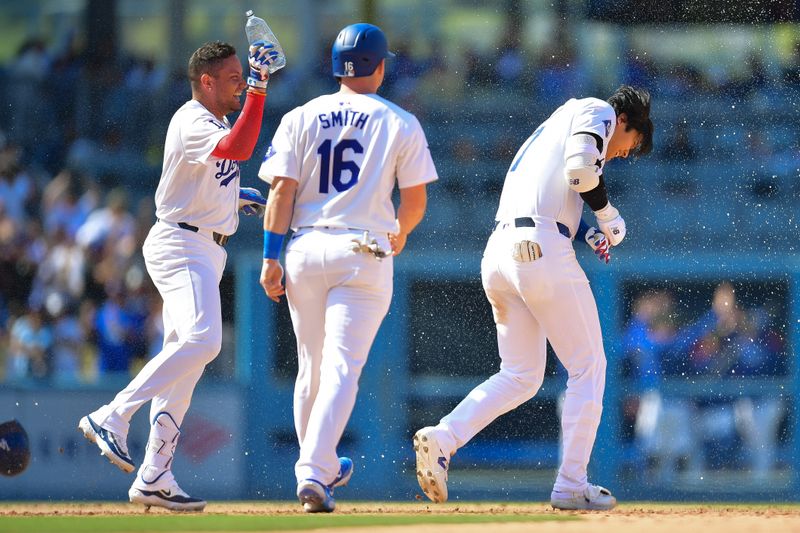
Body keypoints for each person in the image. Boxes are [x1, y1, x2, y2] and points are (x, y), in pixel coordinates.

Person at [414, 85, 653, 510]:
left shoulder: (555, 124)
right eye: (630, 146)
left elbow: (556, 187)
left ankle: (443, 437)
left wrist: (586, 229)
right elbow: (581, 172)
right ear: (626, 122)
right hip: (539, 248)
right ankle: (571, 484)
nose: (622, 154)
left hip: (501, 251)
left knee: (521, 375)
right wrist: (607, 213)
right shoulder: (597, 109)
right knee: (589, 367)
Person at [77, 39, 279, 512]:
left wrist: (237, 196)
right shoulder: (193, 119)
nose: (239, 85)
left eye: (242, 78)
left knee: (184, 365)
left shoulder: (217, 120)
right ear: (205, 81)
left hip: (203, 245)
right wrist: (260, 85)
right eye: (233, 78)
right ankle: (113, 414)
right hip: (182, 244)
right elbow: (239, 146)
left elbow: (219, 167)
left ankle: (155, 473)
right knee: (205, 340)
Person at [258, 23, 437, 513]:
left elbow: (280, 192)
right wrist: (401, 230)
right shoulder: (399, 120)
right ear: (380, 66)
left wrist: (270, 257)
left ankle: (322, 464)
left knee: (310, 368)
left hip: (304, 247)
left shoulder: (300, 115)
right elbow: (415, 199)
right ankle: (314, 470)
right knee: (341, 367)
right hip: (363, 251)